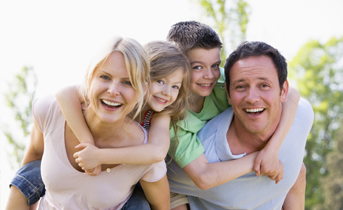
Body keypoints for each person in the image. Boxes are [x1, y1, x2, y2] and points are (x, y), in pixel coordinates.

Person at [5, 37, 170, 210]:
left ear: (143, 90)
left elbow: (161, 207)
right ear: (89, 79)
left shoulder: (144, 155)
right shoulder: (50, 111)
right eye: (105, 77)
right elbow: (31, 167)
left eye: (127, 82)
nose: (113, 91)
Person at [165, 21, 302, 210]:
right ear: (175, 65)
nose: (209, 75)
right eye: (197, 67)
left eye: (214, 65)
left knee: (297, 170)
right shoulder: (172, 116)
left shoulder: (221, 82)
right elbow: (203, 177)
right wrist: (259, 159)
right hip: (179, 177)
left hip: (219, 156)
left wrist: (272, 149)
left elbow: (292, 94)